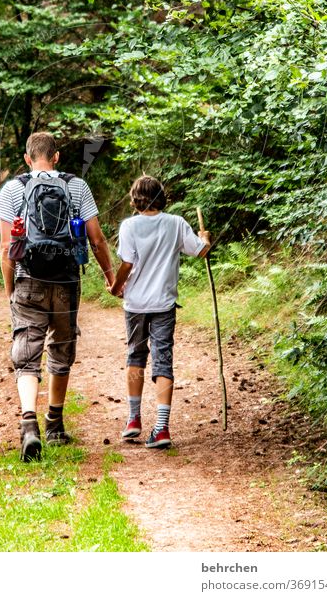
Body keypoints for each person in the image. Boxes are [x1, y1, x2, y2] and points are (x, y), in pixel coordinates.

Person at [0, 131, 115, 461]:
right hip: (66, 282)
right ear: (57, 157)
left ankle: (29, 425)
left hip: (27, 279)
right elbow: (97, 239)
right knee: (61, 349)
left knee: (27, 352)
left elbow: (7, 249)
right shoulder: (76, 186)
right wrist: (110, 277)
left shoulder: (13, 189)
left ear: (27, 159)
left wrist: (10, 291)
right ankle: (55, 424)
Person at [109, 175, 211, 448]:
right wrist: (205, 238)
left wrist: (116, 286)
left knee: (135, 356)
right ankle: (162, 427)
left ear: (135, 199)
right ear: (161, 197)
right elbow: (200, 252)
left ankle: (133, 420)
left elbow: (127, 264)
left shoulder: (129, 226)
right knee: (163, 359)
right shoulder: (176, 223)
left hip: (136, 304)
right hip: (164, 304)